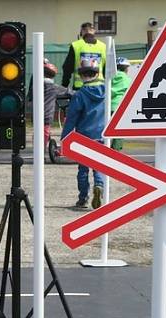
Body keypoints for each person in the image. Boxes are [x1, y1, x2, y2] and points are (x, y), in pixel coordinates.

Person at [61, 58, 105, 209]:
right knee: (98, 164)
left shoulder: (79, 95)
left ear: (81, 75)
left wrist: (65, 138)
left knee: (83, 169)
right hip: (101, 134)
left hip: (83, 137)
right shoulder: (106, 92)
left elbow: (71, 118)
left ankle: (83, 198)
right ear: (97, 73)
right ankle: (99, 184)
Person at [61, 22, 106, 90]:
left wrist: (64, 85)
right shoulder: (103, 46)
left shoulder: (75, 45)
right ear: (94, 31)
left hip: (80, 87)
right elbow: (108, 68)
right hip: (99, 88)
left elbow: (67, 68)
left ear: (82, 32)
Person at [110, 56, 132, 151]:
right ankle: (115, 151)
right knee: (118, 132)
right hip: (120, 108)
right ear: (126, 68)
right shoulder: (127, 80)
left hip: (107, 107)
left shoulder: (109, 78)